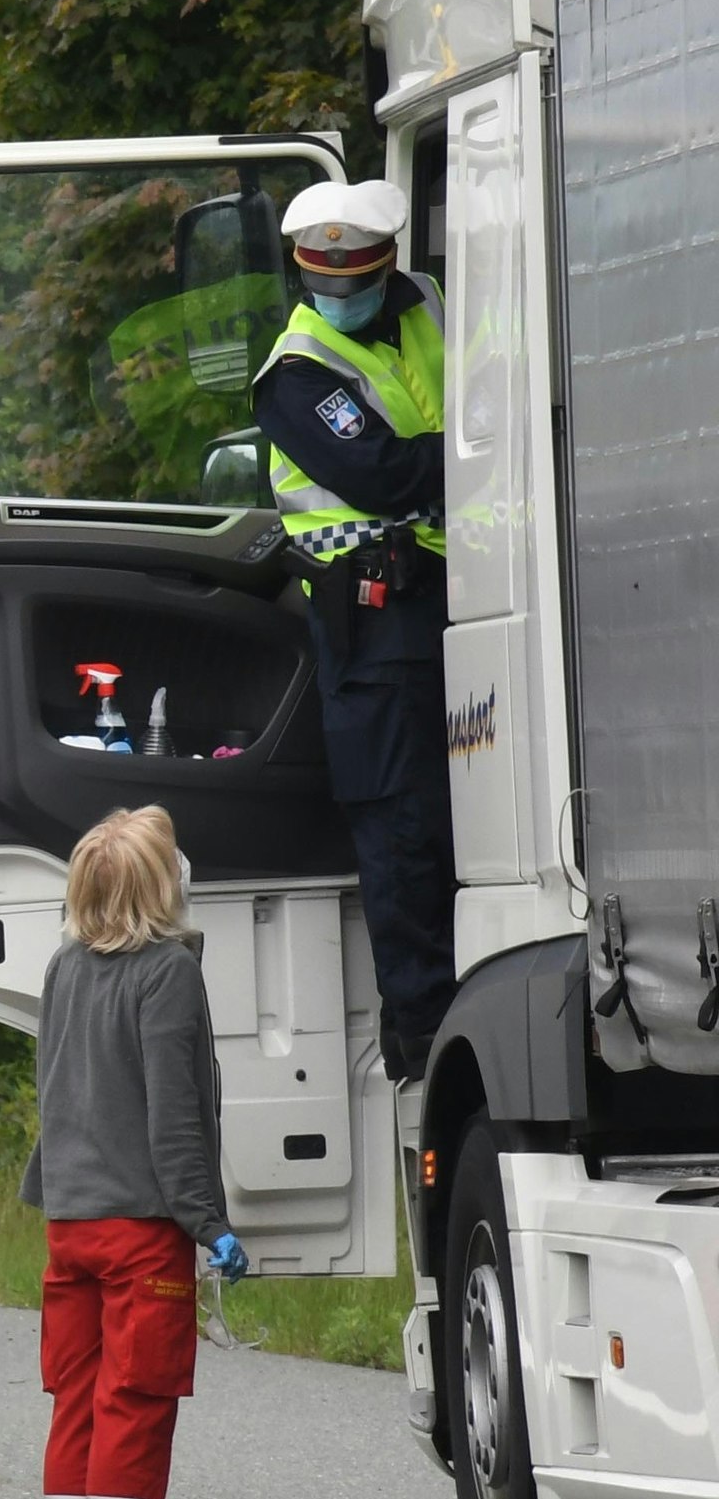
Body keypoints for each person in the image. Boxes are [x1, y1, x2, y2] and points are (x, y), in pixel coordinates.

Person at [250, 176, 454, 1081]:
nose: (339, 292)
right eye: (322, 280)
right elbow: (388, 478)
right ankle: (426, 1032)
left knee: (468, 823)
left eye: (355, 276)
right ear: (303, 276)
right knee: (403, 833)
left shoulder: (430, 307)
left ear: (389, 265)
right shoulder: (295, 375)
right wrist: (491, 441)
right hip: (375, 628)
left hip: (464, 587)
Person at [24, 807, 239, 1499]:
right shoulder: (167, 973)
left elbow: (55, 1086)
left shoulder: (64, 966)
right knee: (135, 1404)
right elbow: (173, 1119)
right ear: (164, 886)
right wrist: (208, 1222)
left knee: (76, 1403)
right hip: (141, 1228)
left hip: (69, 1224)